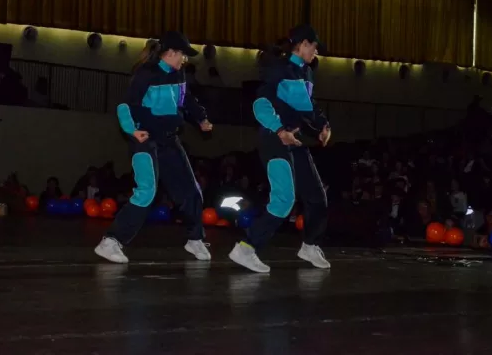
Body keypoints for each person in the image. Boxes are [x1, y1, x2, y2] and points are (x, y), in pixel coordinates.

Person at [95, 31, 213, 263]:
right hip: (145, 139)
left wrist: (201, 118)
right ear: (171, 53)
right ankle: (111, 241)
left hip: (169, 140)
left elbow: (186, 99)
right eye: (182, 55)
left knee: (190, 190)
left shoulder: (179, 74)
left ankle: (195, 239)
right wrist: (132, 130)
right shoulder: (146, 74)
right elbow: (125, 106)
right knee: (147, 191)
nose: (184, 60)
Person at [228, 24, 332, 273]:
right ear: (303, 44)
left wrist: (322, 125)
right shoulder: (278, 69)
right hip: (275, 140)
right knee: (284, 200)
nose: (316, 52)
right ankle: (246, 248)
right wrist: (279, 130)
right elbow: (261, 104)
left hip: (296, 142)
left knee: (317, 198)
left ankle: (309, 245)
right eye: (314, 47)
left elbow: (308, 107)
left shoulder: (306, 73)